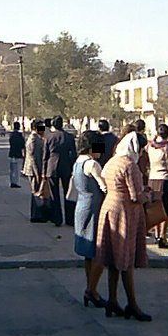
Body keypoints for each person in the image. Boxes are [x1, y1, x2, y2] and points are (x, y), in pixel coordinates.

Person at [95, 132, 152, 321]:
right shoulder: (130, 165)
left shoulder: (112, 161)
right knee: (126, 259)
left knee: (113, 259)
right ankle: (132, 304)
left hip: (109, 207)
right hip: (125, 213)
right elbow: (135, 195)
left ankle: (112, 300)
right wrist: (149, 196)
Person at [72, 131, 108, 308]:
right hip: (94, 206)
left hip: (81, 205)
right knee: (98, 251)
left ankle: (90, 287)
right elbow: (104, 186)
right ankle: (92, 290)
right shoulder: (92, 164)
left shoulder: (78, 162)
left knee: (88, 252)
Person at [42, 115, 77, 226]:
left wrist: (43, 171)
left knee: (54, 194)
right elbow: (74, 154)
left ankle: (57, 219)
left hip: (52, 167)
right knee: (68, 193)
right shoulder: (69, 137)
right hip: (66, 166)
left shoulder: (48, 137)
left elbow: (45, 156)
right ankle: (69, 219)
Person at [147, 123, 168, 249]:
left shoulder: (150, 146)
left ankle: (156, 233)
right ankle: (162, 236)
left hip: (152, 178)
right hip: (165, 179)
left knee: (155, 207)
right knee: (165, 209)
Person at [22, 119, 48, 222]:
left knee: (38, 192)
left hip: (37, 169)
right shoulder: (32, 139)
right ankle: (36, 215)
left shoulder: (38, 138)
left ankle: (39, 214)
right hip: (33, 170)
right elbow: (32, 157)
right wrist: (37, 173)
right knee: (36, 192)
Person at [8, 121, 25, 188]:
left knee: (12, 170)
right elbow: (22, 144)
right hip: (18, 154)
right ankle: (16, 182)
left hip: (12, 154)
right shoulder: (19, 135)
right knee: (17, 170)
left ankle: (12, 182)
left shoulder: (11, 135)